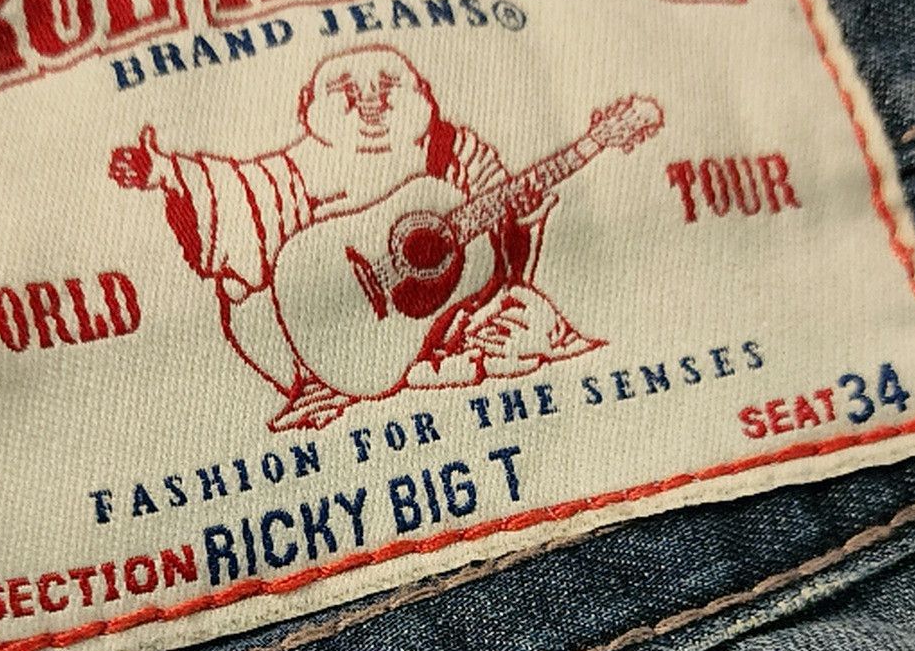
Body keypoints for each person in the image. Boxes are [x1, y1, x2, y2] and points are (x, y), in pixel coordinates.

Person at [108, 45, 595, 429]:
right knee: (252, 302)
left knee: (526, 319)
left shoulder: (455, 151)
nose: (370, 100)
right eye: (344, 88)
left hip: (446, 328)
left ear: (423, 94)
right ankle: (322, 385)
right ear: (308, 106)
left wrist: (522, 220)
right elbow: (236, 193)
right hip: (319, 343)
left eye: (389, 84)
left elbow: (499, 236)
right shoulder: (294, 170)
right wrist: (167, 172)